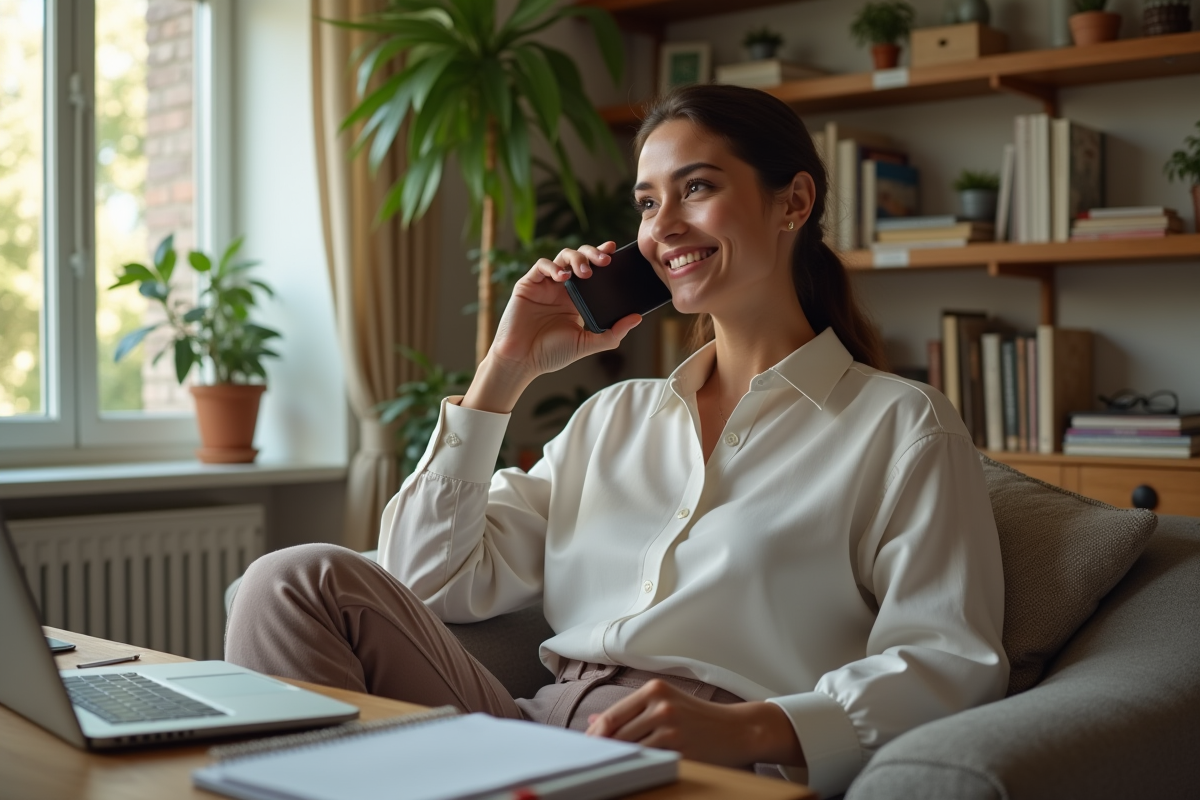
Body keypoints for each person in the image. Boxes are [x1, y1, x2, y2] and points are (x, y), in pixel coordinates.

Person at [226, 84, 1008, 797]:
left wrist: (748, 727)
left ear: (793, 201)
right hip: (536, 733)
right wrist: (504, 371)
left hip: (715, 763)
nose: (663, 227)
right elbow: (425, 582)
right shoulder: (613, 418)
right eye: (645, 202)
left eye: (696, 188)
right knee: (289, 580)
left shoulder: (901, 424)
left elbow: (948, 662)